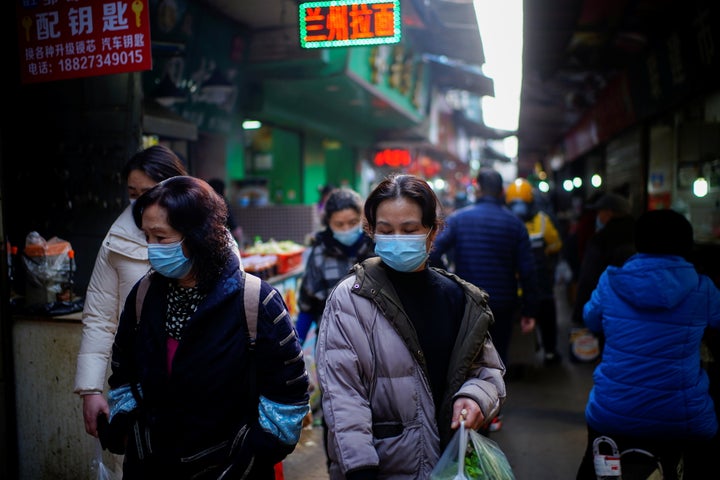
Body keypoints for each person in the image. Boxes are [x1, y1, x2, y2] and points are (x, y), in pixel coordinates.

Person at [106, 176, 309, 479]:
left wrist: (246, 459)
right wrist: (132, 435)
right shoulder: (143, 296)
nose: (151, 249)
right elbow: (123, 373)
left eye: (161, 238)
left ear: (197, 235)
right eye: (146, 237)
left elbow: (289, 397)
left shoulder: (256, 301)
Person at [316, 173, 506, 479]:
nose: (397, 239)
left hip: (451, 460)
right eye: (386, 230)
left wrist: (474, 398)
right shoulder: (350, 299)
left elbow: (487, 371)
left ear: (432, 233)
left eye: (409, 230)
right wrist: (360, 468)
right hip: (382, 467)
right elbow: (343, 395)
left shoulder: (459, 298)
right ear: (372, 232)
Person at [576, 209, 720, 479]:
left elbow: (590, 319)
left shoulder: (611, 281)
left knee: (595, 469)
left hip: (613, 411)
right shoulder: (703, 288)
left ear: (638, 242)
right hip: (681, 418)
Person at [74, 145, 188, 440]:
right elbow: (100, 316)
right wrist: (91, 388)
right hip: (140, 384)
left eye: (148, 192)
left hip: (200, 380)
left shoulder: (208, 232)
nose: (139, 202)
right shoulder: (117, 239)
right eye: (133, 192)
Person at [429, 168, 538, 372]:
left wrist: (449, 280)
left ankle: (470, 399)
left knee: (467, 358)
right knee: (497, 358)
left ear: (477, 189)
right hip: (504, 303)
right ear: (501, 192)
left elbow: (433, 251)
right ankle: (495, 396)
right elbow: (527, 270)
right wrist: (529, 309)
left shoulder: (458, 219)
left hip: (468, 300)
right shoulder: (515, 224)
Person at [295, 187, 376, 345]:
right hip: (332, 343)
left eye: (352, 222)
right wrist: (297, 345)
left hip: (374, 341)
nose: (346, 229)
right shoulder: (320, 254)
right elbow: (307, 305)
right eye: (339, 224)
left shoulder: (375, 248)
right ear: (329, 224)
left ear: (362, 219)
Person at [506, 177, 564, 364]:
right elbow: (555, 245)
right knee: (547, 315)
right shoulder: (542, 221)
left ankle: (510, 357)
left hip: (513, 283)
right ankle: (550, 352)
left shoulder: (506, 221)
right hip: (539, 280)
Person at [570, 192, 635, 326]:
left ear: (608, 213)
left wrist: (579, 315)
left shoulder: (600, 240)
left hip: (606, 312)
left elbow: (588, 280)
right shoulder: (641, 236)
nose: (597, 217)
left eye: (599, 212)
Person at [208, 177, 244, 248]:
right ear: (223, 189)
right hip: (223, 242)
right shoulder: (223, 203)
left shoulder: (204, 204)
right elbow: (235, 229)